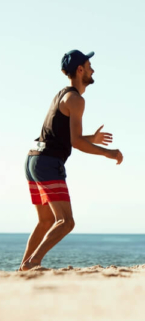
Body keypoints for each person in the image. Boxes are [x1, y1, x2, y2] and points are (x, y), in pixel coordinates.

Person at [20, 50, 124, 271]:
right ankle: (33, 263)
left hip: (33, 160)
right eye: (89, 65)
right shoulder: (76, 99)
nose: (92, 69)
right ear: (80, 70)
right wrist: (109, 153)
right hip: (47, 163)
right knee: (66, 222)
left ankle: (23, 268)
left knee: (46, 221)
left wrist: (92, 139)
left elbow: (64, 138)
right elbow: (76, 143)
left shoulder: (62, 95)